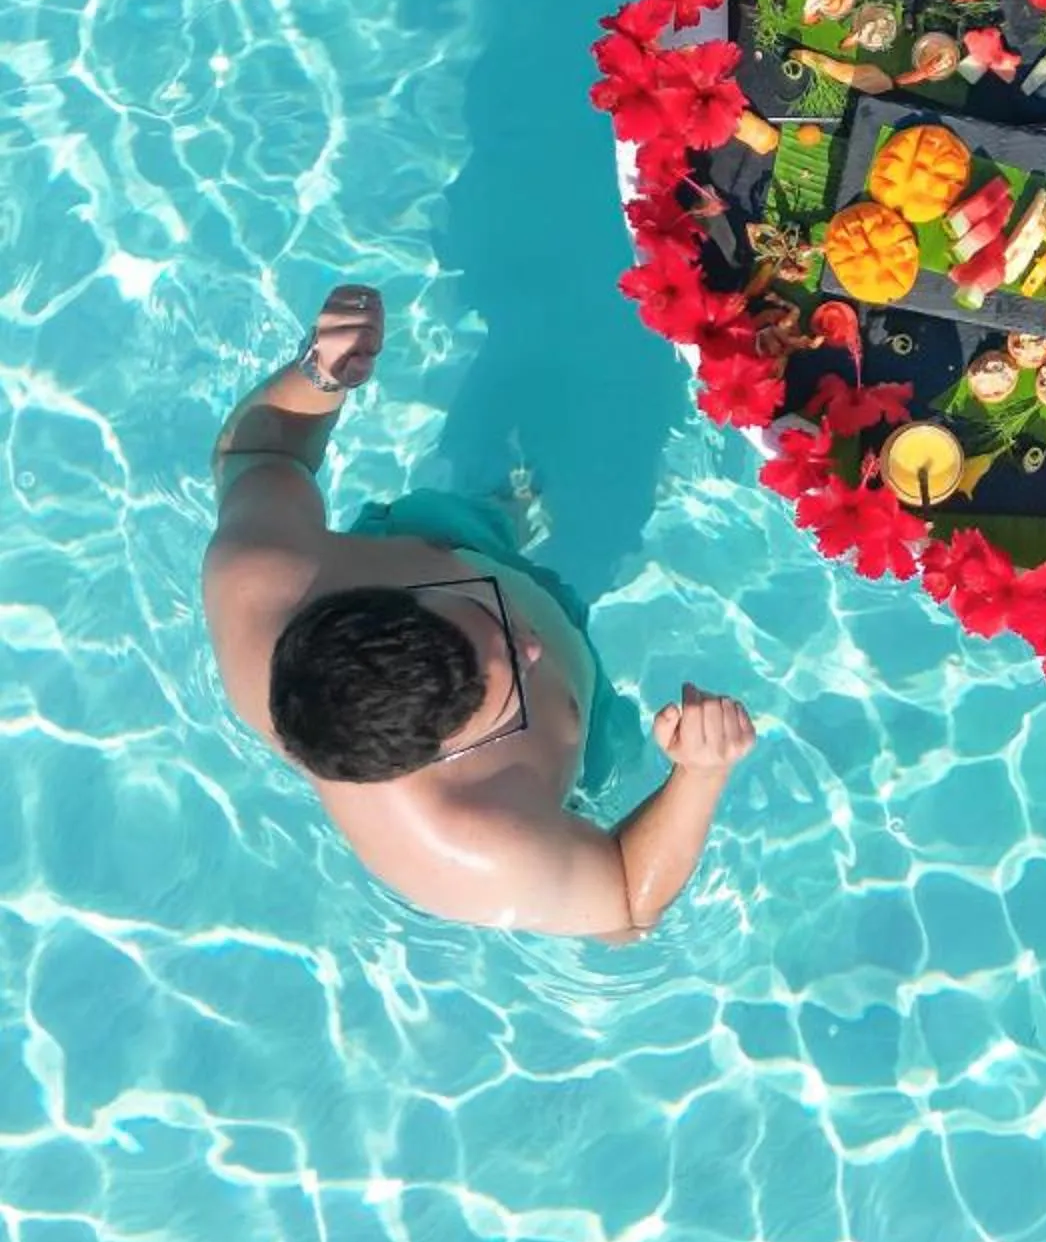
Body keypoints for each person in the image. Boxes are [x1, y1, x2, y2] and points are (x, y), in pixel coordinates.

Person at [201, 283, 754, 938]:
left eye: (478, 611)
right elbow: (627, 904)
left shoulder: (264, 575)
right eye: (511, 673)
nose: (534, 643)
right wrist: (699, 773)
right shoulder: (474, 846)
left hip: (448, 538)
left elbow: (261, 454)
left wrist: (319, 375)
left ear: (367, 596)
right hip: (575, 734)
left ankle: (500, 514)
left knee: (497, 476)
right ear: (442, 751)